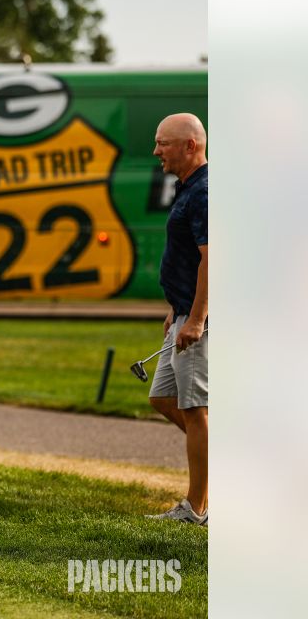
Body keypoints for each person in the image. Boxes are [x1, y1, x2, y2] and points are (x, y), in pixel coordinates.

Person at [145, 113, 208, 525]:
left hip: (200, 318)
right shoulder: (187, 189)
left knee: (195, 407)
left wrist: (198, 318)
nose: (156, 151)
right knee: (163, 398)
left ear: (190, 146)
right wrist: (176, 307)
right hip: (183, 311)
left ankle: (196, 509)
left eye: (163, 143)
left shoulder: (205, 192)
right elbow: (187, 257)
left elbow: (212, 257)